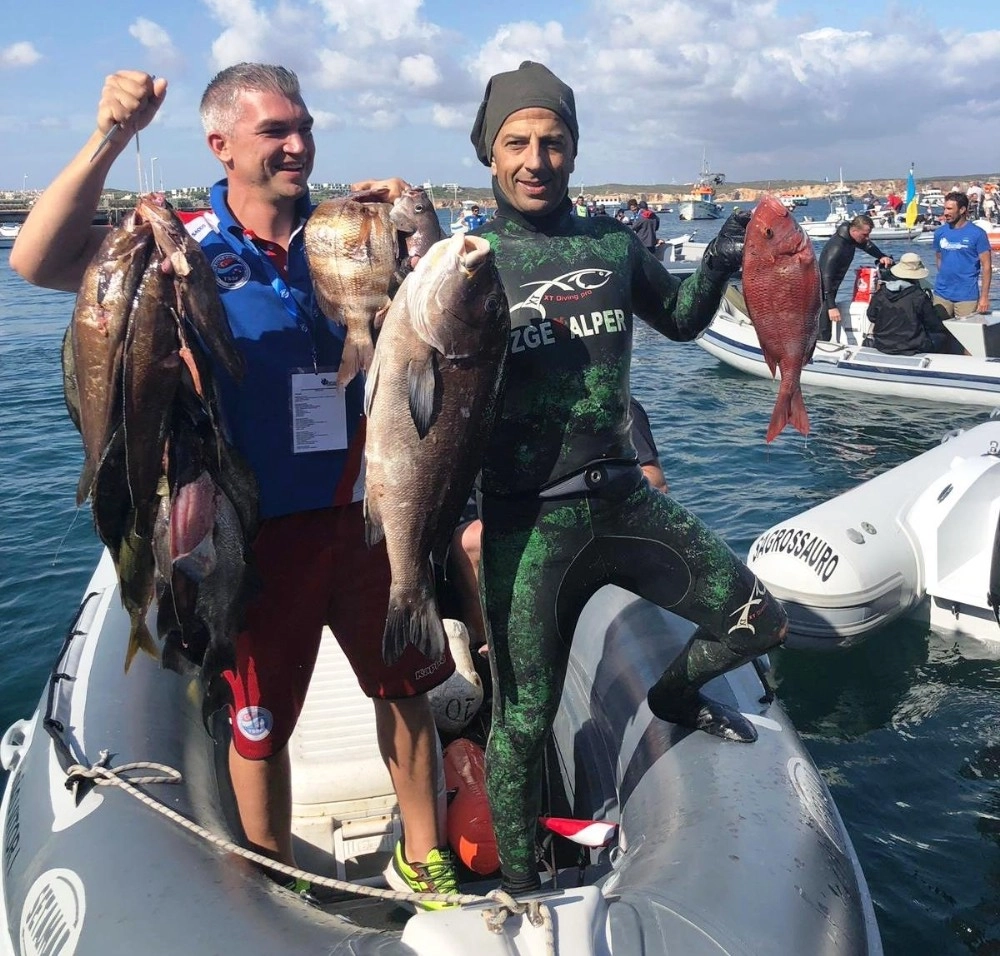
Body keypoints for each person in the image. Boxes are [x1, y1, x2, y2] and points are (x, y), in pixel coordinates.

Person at [10, 65, 459, 907]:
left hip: (367, 513)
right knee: (260, 724)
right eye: (275, 131)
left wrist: (415, 220)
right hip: (250, 530)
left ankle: (424, 857)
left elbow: (440, 312)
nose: (299, 144)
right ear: (219, 145)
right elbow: (36, 262)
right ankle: (270, 878)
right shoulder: (180, 247)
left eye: (305, 125)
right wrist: (111, 134)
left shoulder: (344, 233)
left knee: (405, 690)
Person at [466, 60, 788, 896]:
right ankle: (522, 885)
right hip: (527, 524)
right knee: (524, 720)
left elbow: (680, 323)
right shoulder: (467, 261)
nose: (537, 159)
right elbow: (423, 393)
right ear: (488, 153)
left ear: (574, 151)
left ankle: (675, 699)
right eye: (518, 143)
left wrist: (718, 263)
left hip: (624, 500)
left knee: (761, 623)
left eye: (554, 142)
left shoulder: (611, 243)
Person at [445, 397, 669, 655]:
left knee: (469, 542)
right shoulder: (528, 403)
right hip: (532, 516)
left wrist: (586, 503)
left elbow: (656, 482)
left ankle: (491, 649)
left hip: (583, 524)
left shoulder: (618, 403)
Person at [867, 253, 963, 355]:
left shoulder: (881, 293)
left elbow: (871, 316)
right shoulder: (919, 296)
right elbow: (933, 324)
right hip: (912, 346)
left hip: (882, 345)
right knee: (943, 336)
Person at [818, 214, 893, 342]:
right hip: (821, 290)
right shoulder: (837, 247)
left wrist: (881, 256)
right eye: (864, 235)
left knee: (826, 323)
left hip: (831, 289)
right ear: (854, 231)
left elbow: (867, 245)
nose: (867, 238)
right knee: (823, 326)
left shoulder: (851, 237)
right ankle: (820, 348)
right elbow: (825, 277)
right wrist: (831, 306)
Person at [933, 191, 992, 317]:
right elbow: (939, 259)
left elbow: (986, 267)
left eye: (949, 209)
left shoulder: (977, 234)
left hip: (967, 296)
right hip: (941, 294)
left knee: (965, 335)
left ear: (962, 210)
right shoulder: (939, 233)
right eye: (944, 208)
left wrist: (984, 297)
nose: (945, 213)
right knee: (939, 333)